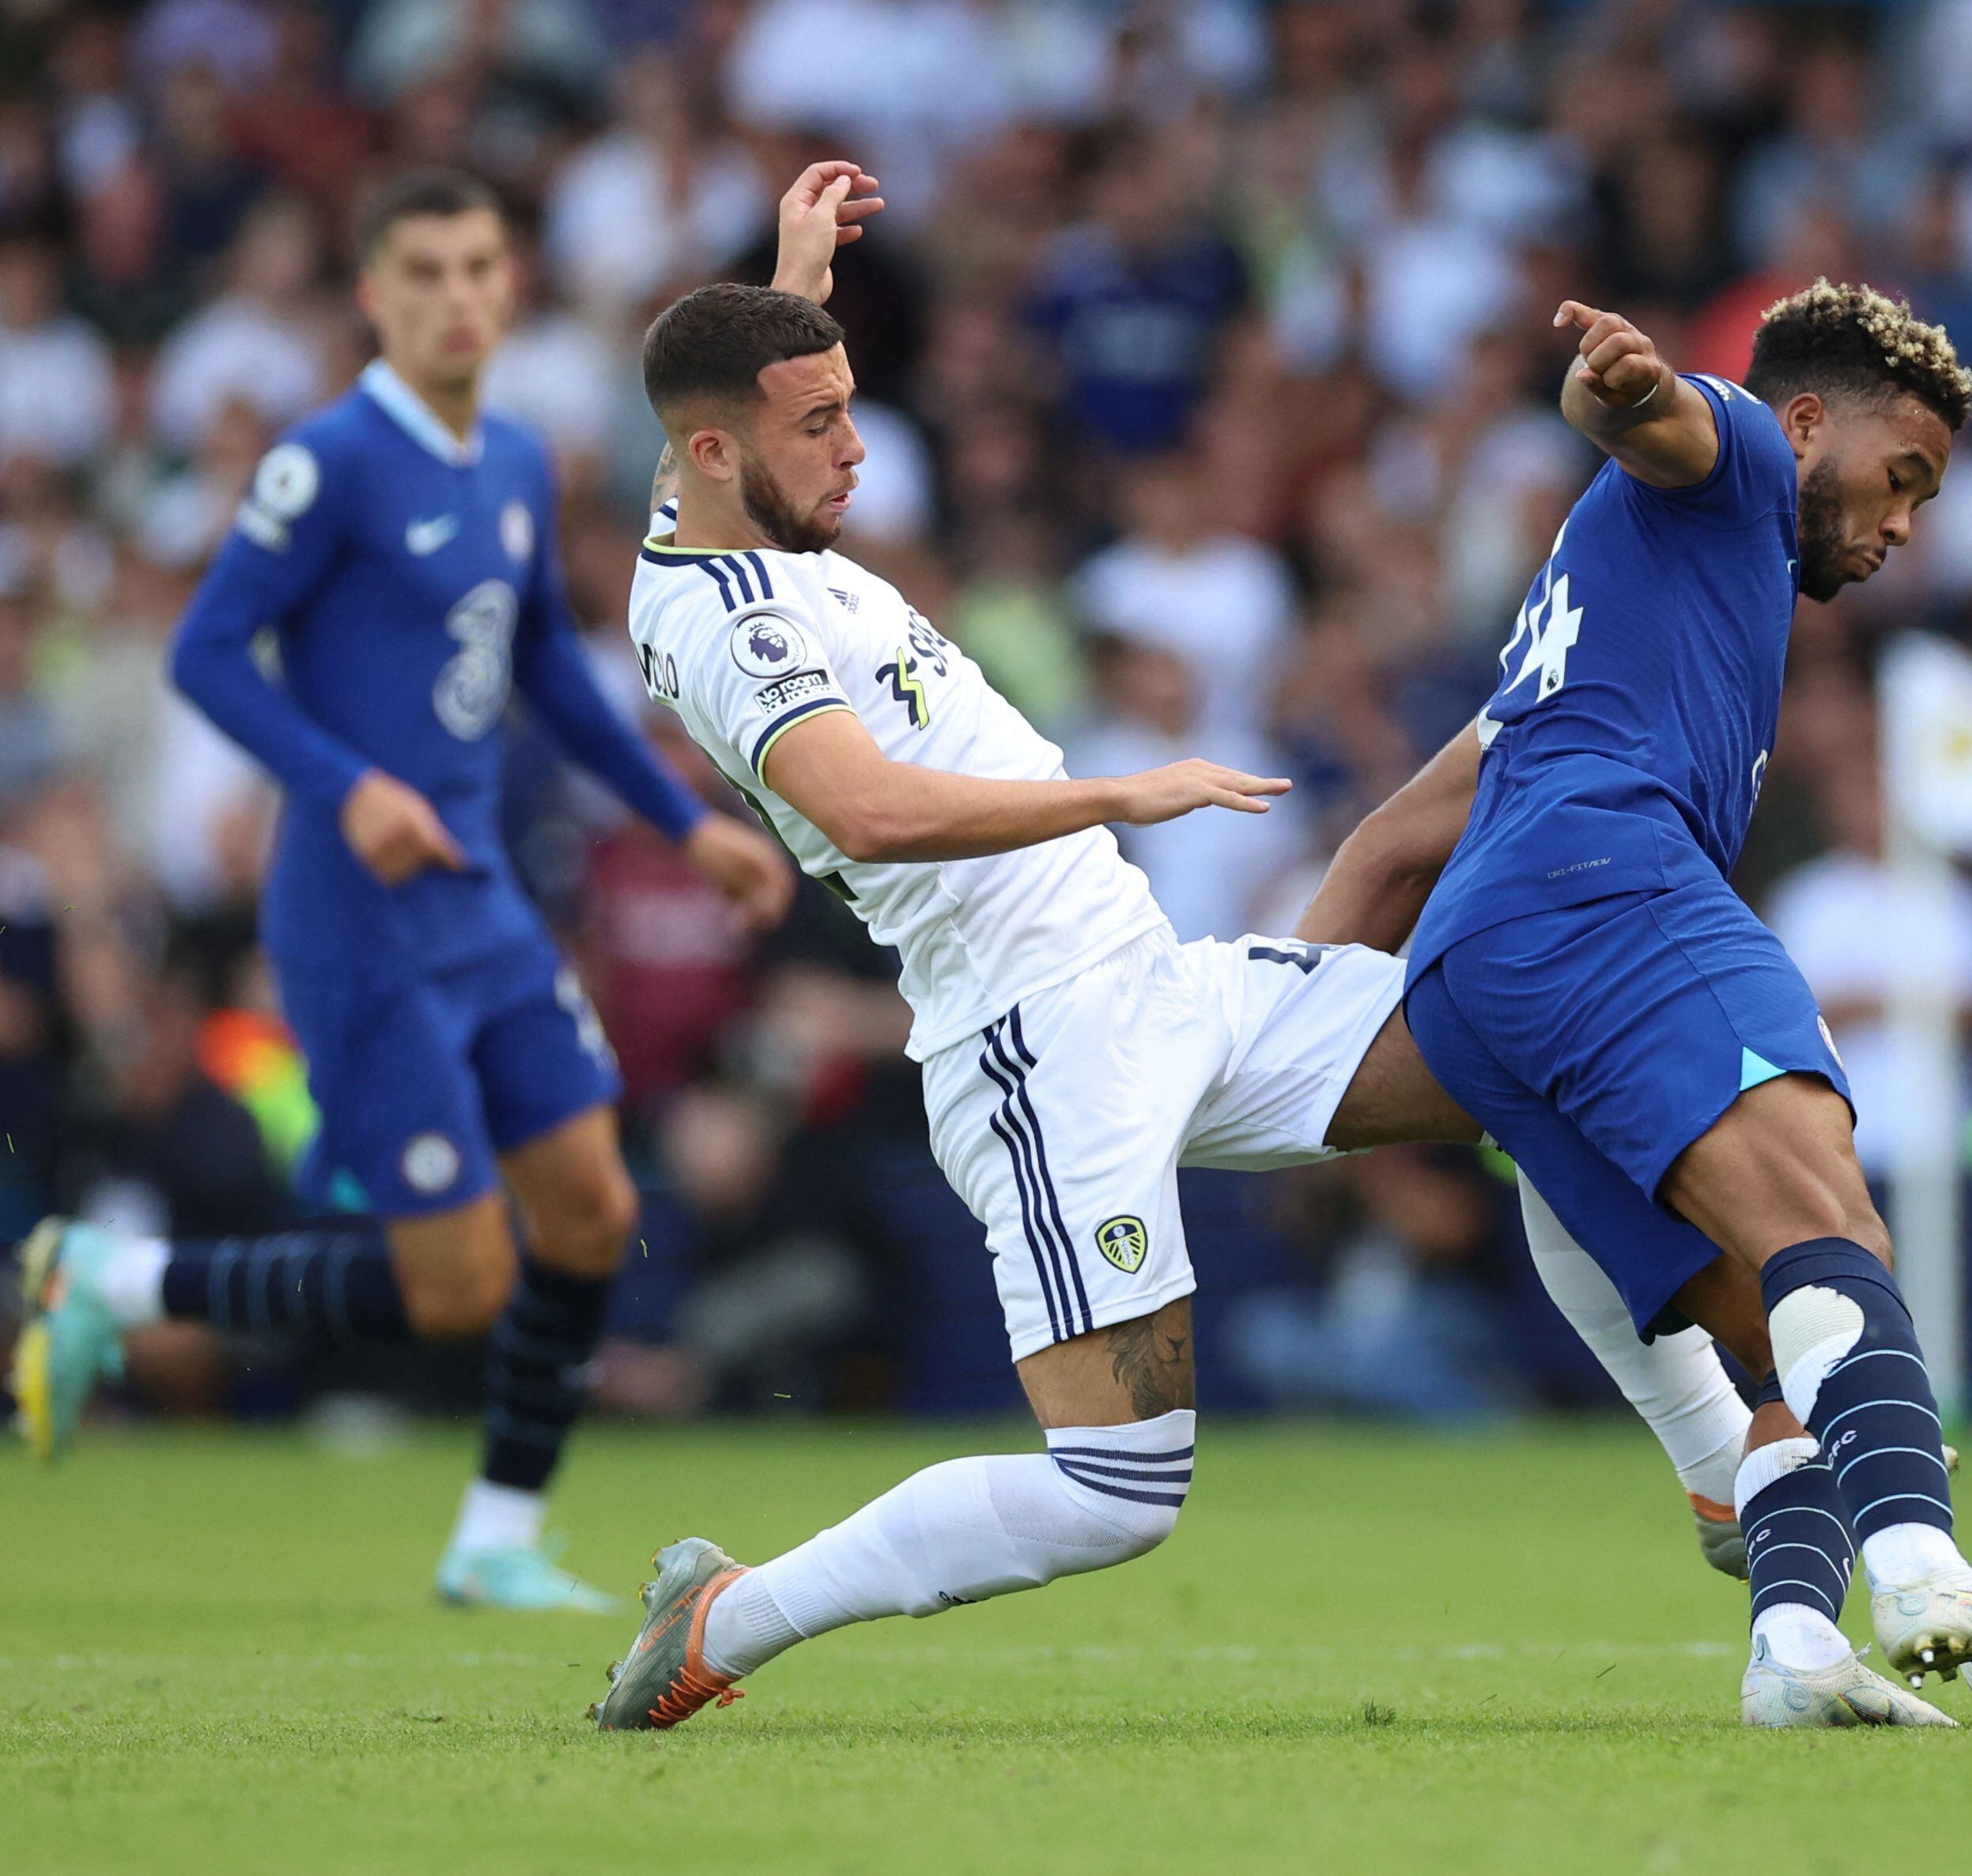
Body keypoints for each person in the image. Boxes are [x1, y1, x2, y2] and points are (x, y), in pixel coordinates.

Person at [585, 213, 1873, 1733]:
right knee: (1118, 1489)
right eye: (823, 425)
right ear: (723, 452)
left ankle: (1725, 1468)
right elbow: (869, 805)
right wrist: (1117, 795)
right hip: (1034, 1041)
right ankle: (731, 1612)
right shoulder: (722, 620)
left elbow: (734, 383)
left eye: (854, 406)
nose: (859, 450)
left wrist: (794, 278)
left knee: (1524, 1045)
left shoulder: (731, 487)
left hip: (1153, 981)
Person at [1298, 285, 1972, 1725]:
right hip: (1606, 892)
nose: (1900, 526)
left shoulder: (1588, 632)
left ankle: (1797, 1652)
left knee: (1780, 1330)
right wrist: (1620, 388)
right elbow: (1655, 420)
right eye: (1904, 478)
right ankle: (1926, 1571)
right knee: (1833, 1227)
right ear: (1816, 422)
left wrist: (1293, 1039)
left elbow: (1389, 844)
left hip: (1480, 974)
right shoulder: (1753, 455)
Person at [11, 168, 803, 1610]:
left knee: (585, 1206)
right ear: (374, 293)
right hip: (353, 921)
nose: (455, 295)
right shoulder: (329, 460)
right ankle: (116, 1283)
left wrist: (682, 823)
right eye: (423, 271)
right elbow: (205, 652)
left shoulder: (512, 459)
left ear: (510, 288)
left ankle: (495, 1533)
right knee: (457, 1284)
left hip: (482, 908)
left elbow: (550, 672)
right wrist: (347, 784)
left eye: (479, 267)